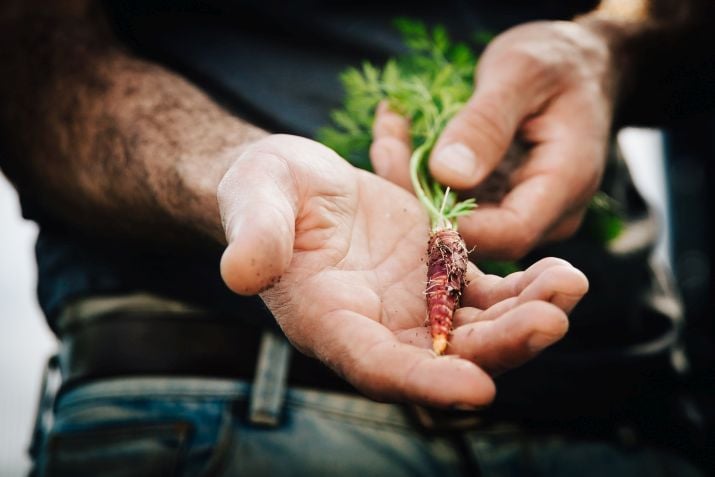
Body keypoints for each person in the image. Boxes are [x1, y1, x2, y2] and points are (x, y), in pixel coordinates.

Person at [0, 0, 711, 475]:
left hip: (628, 413)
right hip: (230, 395)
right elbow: (27, 67)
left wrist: (609, 49)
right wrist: (227, 174)